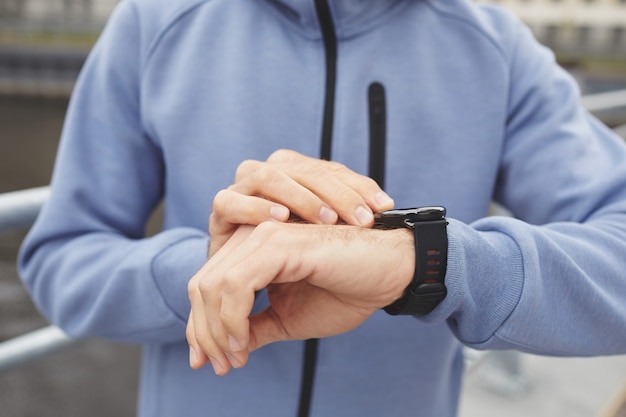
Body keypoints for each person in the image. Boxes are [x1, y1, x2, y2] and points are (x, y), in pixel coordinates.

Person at [17, 0, 626, 416]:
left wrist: (426, 262)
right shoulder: (157, 21)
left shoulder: (492, 45)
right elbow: (59, 260)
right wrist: (212, 273)